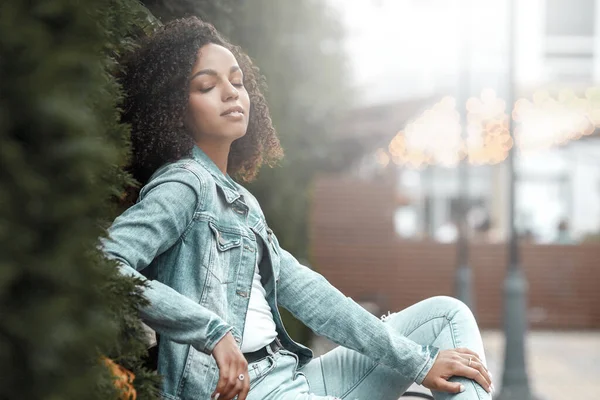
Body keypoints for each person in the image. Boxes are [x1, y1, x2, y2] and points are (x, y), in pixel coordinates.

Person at [100, 17, 493, 400]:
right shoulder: (185, 183)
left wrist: (421, 364)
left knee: (446, 317)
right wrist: (212, 332)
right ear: (173, 107)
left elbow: (315, 297)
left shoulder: (240, 201)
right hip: (240, 388)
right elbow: (105, 262)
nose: (231, 92)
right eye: (207, 85)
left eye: (237, 81)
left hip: (291, 375)